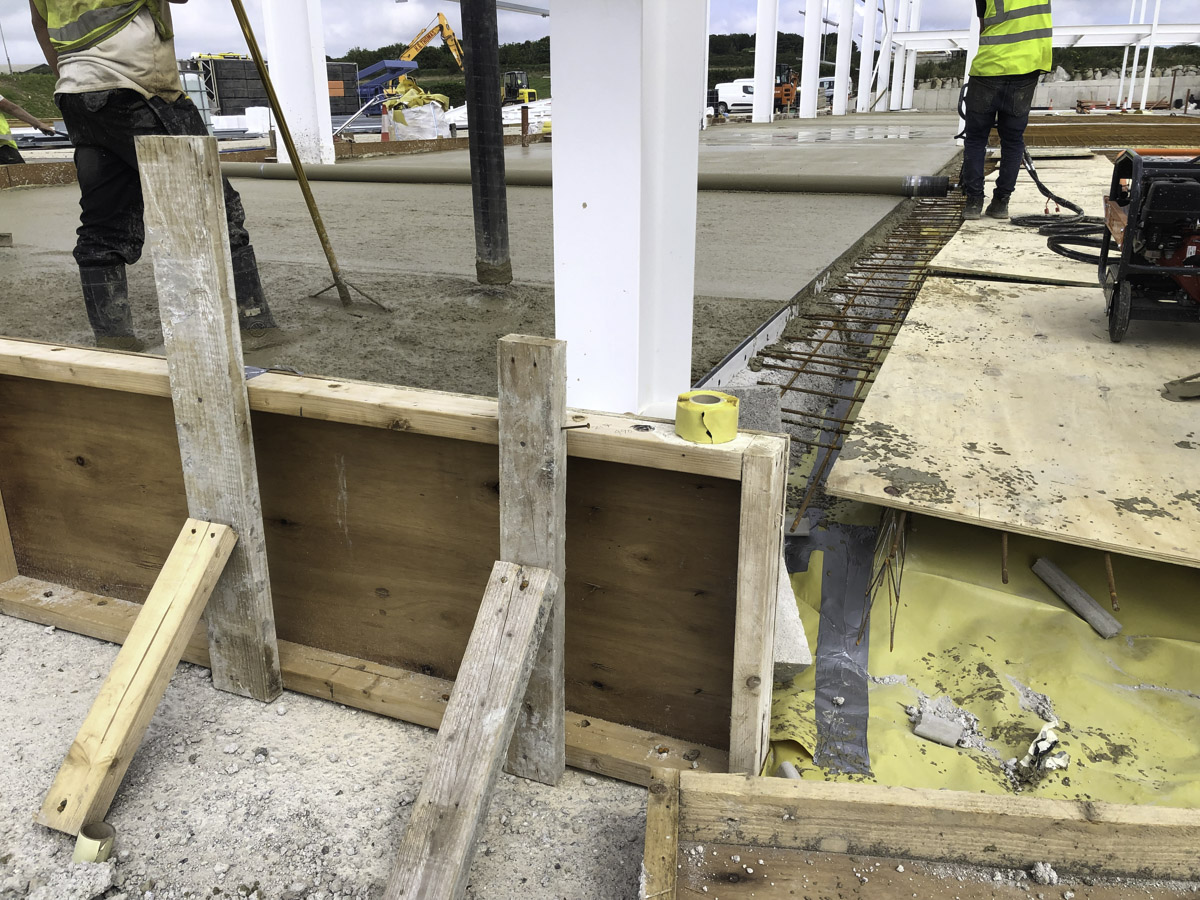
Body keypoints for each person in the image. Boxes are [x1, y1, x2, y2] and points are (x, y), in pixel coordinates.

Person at [29, 0, 278, 351]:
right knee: (214, 209)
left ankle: (115, 338)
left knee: (105, 222)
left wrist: (77, 76)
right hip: (139, 87)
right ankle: (255, 327)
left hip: (77, 92)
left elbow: (40, 24)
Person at [961, 0, 1053, 221]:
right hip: (1028, 67)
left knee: (976, 138)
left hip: (990, 67)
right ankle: (1001, 203)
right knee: (1012, 140)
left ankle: (973, 202)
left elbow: (983, 26)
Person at [0, 93, 57, 164]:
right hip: (2, 147)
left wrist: (38, 124)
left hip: (3, 144)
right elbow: (11, 108)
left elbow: (12, 108)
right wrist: (39, 124)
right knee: (18, 171)